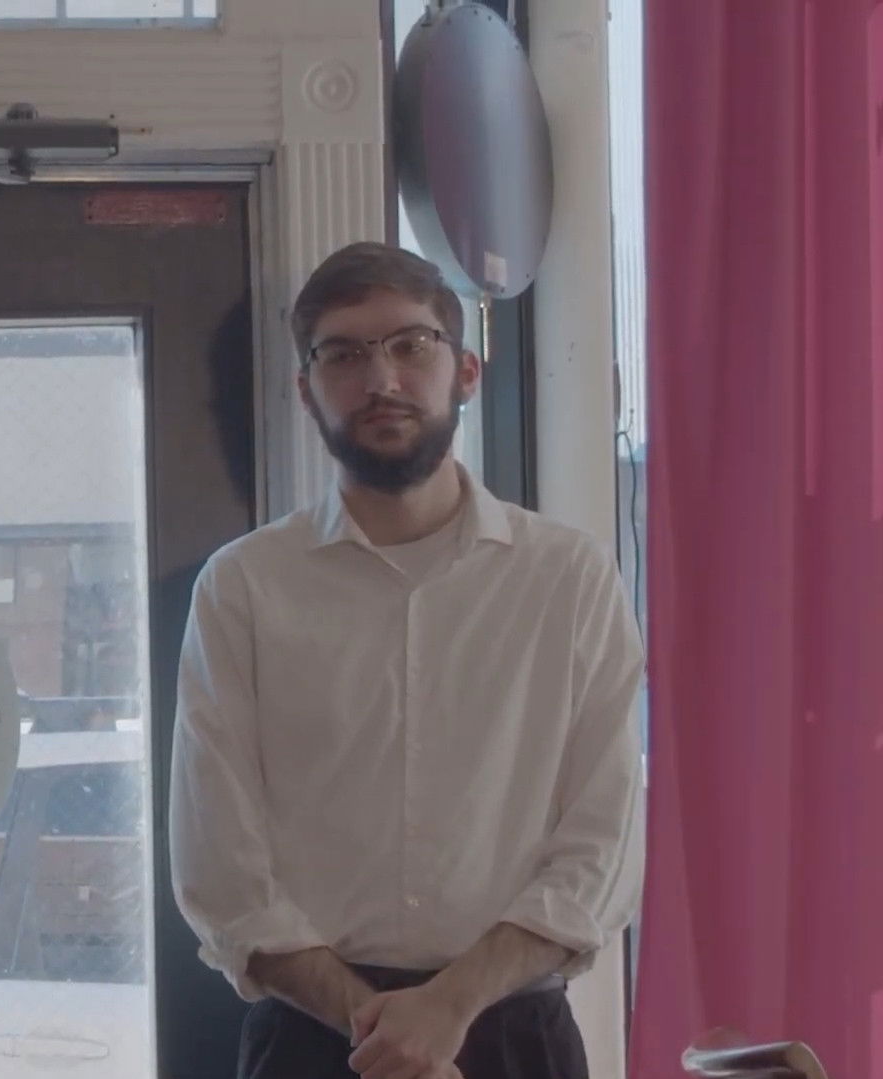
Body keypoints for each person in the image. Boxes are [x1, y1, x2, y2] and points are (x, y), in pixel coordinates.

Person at [168, 242, 644, 1079]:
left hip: (514, 1032)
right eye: (342, 354)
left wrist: (449, 1005)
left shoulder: (567, 576)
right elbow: (219, 864)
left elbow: (602, 837)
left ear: (465, 371)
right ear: (305, 390)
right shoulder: (243, 586)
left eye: (409, 345)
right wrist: (389, 1030)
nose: (380, 378)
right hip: (311, 1039)